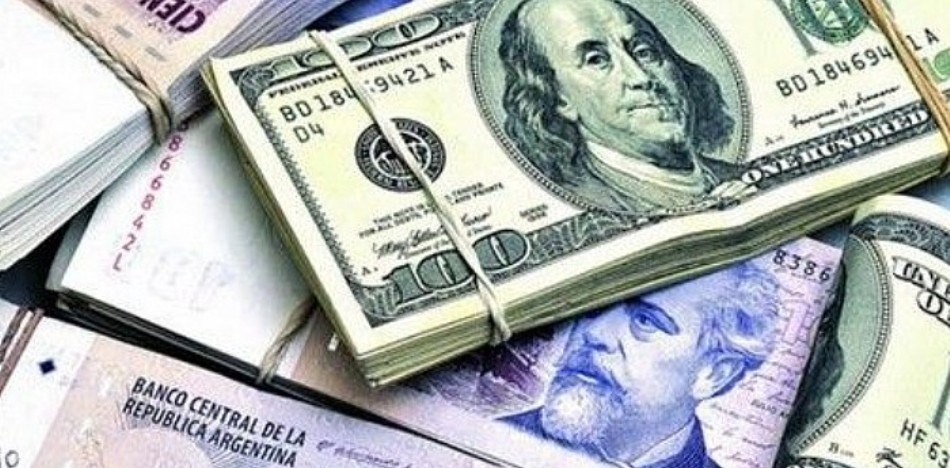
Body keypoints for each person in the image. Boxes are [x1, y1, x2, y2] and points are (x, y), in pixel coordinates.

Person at [500, 263, 780, 467]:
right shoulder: (486, 435)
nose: (595, 332)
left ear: (713, 374)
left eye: (645, 321)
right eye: (595, 305)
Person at [499, 0, 744, 213]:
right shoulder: (585, 202)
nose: (641, 77)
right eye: (596, 60)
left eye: (644, 51)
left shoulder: (742, 176)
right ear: (559, 98)